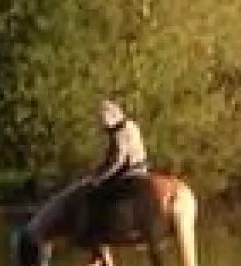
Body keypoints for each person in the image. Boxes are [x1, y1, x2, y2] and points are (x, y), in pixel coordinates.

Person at [27, 99, 151, 235]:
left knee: (94, 194)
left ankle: (98, 228)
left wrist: (100, 178)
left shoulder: (120, 134)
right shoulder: (132, 125)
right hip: (142, 168)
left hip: (129, 172)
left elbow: (118, 161)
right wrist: (99, 170)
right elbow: (112, 157)